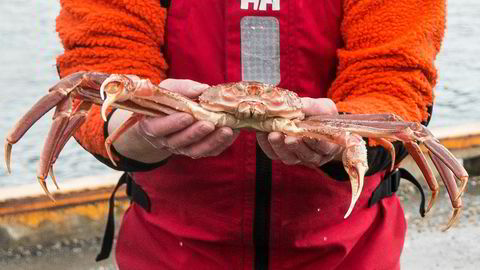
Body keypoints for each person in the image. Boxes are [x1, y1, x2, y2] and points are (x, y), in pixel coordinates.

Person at [55, 0, 445, 269]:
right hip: (170, 248)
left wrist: (343, 140)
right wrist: (126, 135)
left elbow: (395, 81)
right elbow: (100, 64)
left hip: (349, 251)